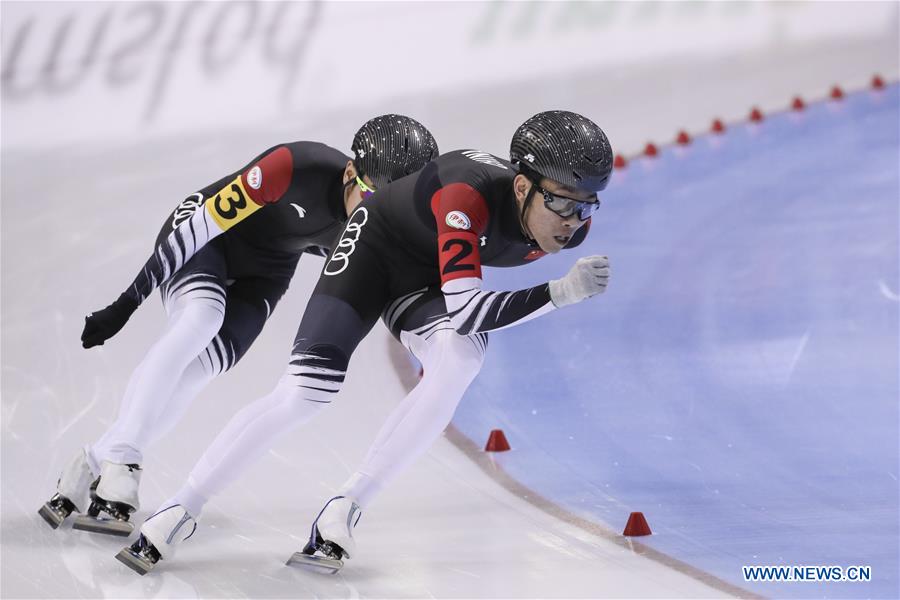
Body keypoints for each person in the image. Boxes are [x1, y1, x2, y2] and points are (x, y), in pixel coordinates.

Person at [116, 110, 613, 575]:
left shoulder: (570, 225)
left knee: (459, 360)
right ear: (522, 185)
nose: (572, 220)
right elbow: (465, 311)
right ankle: (180, 507)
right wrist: (557, 293)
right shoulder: (466, 195)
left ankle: (344, 509)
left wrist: (556, 278)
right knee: (305, 393)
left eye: (587, 203)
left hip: (427, 277)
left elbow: (460, 319)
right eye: (562, 201)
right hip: (372, 253)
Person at [38, 115, 439, 537]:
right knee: (200, 318)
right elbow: (198, 227)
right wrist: (125, 304)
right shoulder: (291, 167)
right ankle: (124, 458)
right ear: (350, 172)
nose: (378, 214)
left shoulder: (380, 222)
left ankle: (90, 463)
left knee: (203, 369)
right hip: (207, 240)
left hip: (267, 272)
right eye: (374, 198)